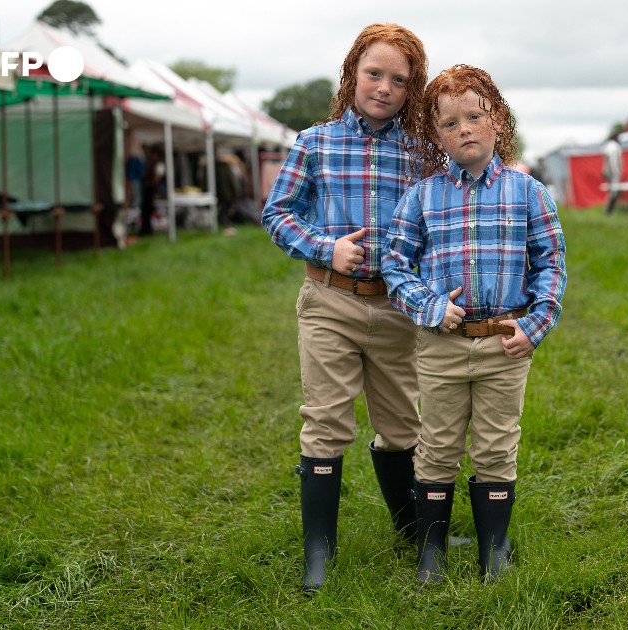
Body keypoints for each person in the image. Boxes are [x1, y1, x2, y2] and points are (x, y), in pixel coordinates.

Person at [260, 23, 429, 593]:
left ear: (413, 89)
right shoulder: (316, 142)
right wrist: (324, 247)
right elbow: (277, 213)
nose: (383, 88)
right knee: (326, 422)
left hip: (396, 309)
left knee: (402, 425)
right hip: (330, 300)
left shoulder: (422, 150)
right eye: (373, 73)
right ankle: (318, 553)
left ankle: (412, 532)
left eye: (398, 80)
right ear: (352, 74)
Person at [383, 65, 567, 584]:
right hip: (442, 343)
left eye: (474, 117)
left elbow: (550, 263)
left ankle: (494, 551)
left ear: (497, 121)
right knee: (437, 445)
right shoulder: (423, 196)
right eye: (448, 123)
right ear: (436, 135)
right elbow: (396, 263)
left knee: (495, 445)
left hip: (505, 344)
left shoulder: (528, 192)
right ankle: (431, 553)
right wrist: (428, 305)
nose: (463, 129)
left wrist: (535, 324)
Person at [139, 146, 165, 236]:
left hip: (151, 190)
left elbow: (156, 179)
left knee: (147, 210)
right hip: (148, 189)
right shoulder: (151, 163)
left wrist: (149, 184)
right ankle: (145, 229)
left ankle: (147, 230)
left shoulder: (159, 165)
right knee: (145, 211)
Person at [602, 131, 622, 214]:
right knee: (614, 193)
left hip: (608, 173)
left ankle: (608, 211)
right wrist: (616, 173)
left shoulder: (608, 146)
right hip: (612, 174)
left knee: (612, 192)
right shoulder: (614, 147)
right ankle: (608, 212)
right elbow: (613, 161)